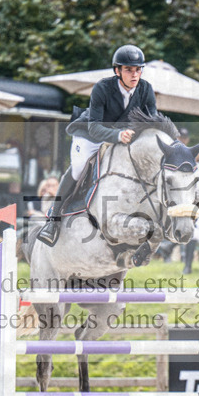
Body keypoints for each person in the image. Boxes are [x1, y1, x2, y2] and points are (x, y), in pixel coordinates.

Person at [37, 44, 157, 246]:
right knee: (79, 168)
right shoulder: (102, 88)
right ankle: (53, 218)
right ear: (117, 71)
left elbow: (151, 121)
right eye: (128, 69)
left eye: (138, 69)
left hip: (124, 138)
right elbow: (94, 129)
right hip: (90, 136)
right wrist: (119, 135)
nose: (134, 75)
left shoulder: (146, 89)